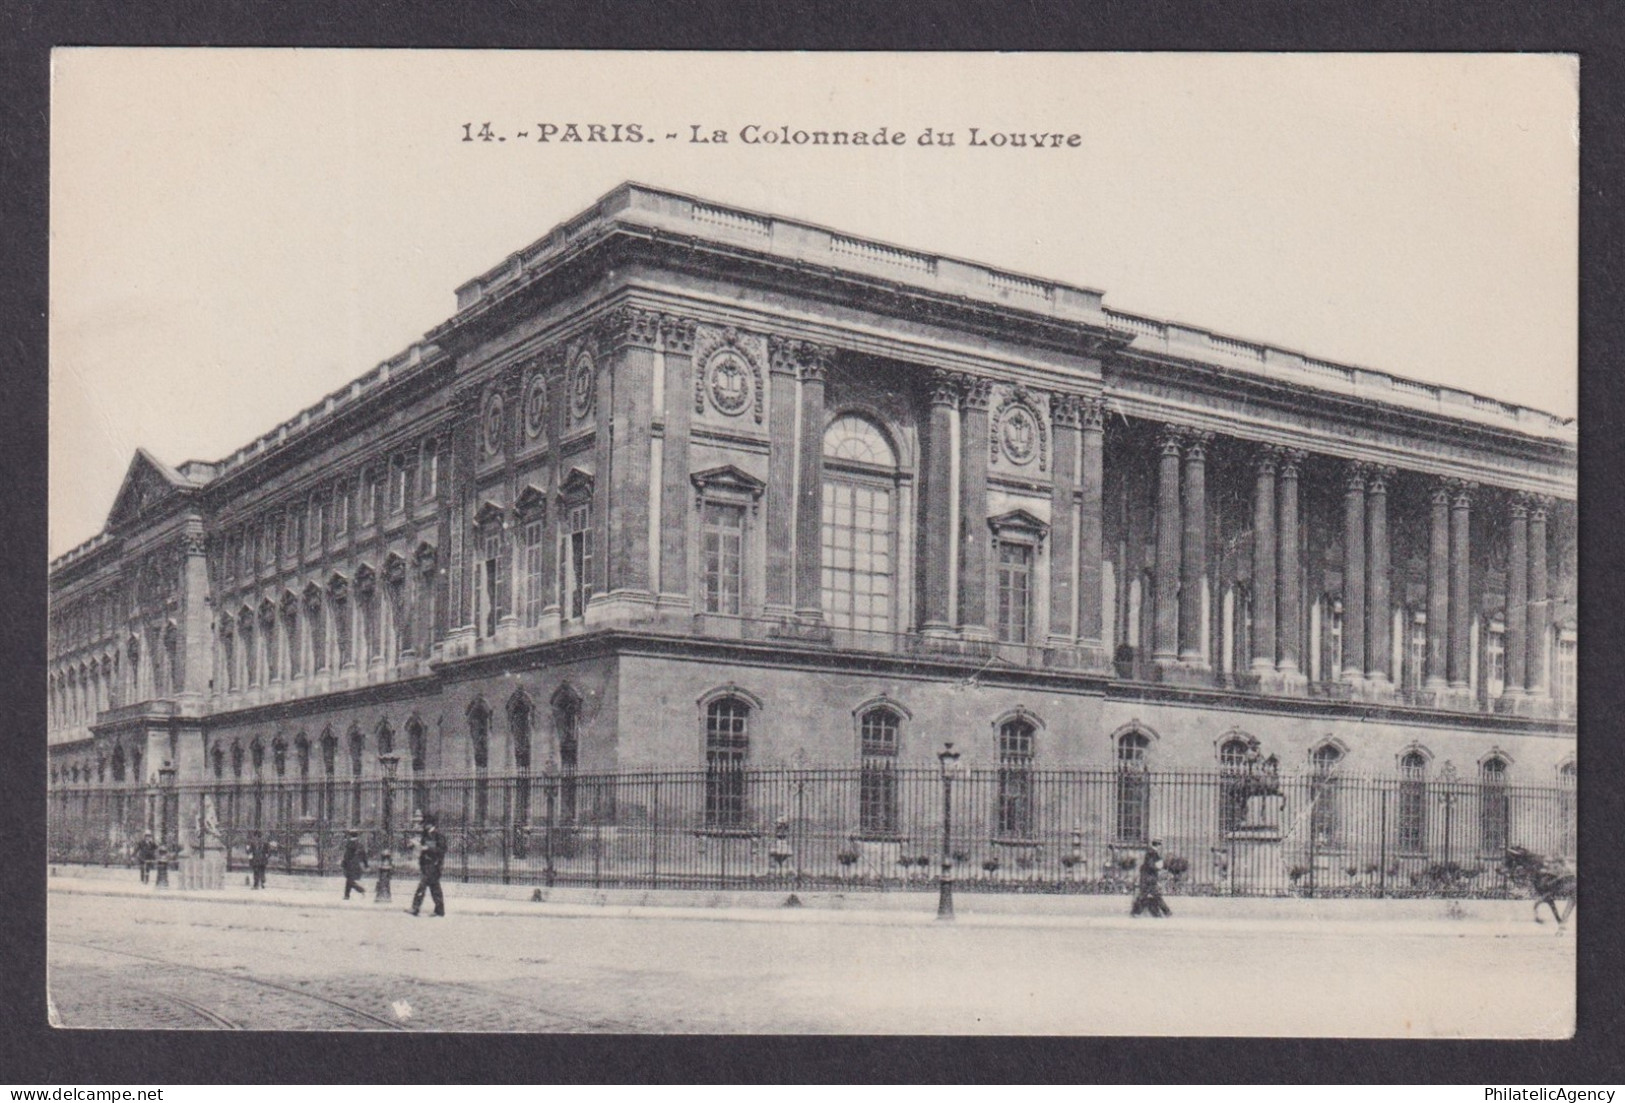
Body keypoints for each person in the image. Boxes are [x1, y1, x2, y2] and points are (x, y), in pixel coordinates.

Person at [407, 814, 446, 917]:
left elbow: (441, 850)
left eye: (425, 824)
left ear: (430, 824)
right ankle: (439, 910)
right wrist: (413, 845)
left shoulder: (438, 835)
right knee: (435, 888)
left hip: (434, 865)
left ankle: (415, 908)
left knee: (422, 886)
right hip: (426, 864)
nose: (423, 826)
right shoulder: (425, 835)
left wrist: (427, 849)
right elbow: (421, 846)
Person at [1131, 838, 1172, 918]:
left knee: (1150, 895)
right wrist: (1159, 867)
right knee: (1147, 896)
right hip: (1148, 878)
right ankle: (1166, 912)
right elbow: (1151, 865)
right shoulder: (1151, 853)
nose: (1161, 847)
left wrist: (1162, 865)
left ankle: (1166, 911)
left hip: (1148, 878)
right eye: (1160, 845)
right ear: (1158, 845)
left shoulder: (1152, 852)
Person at [341, 830, 369, 900]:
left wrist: (343, 863)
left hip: (350, 864)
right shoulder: (360, 844)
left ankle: (360, 890)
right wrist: (366, 865)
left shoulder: (349, 844)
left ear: (350, 835)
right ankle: (346, 896)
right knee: (349, 881)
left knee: (349, 881)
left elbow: (347, 856)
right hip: (357, 865)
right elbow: (364, 855)